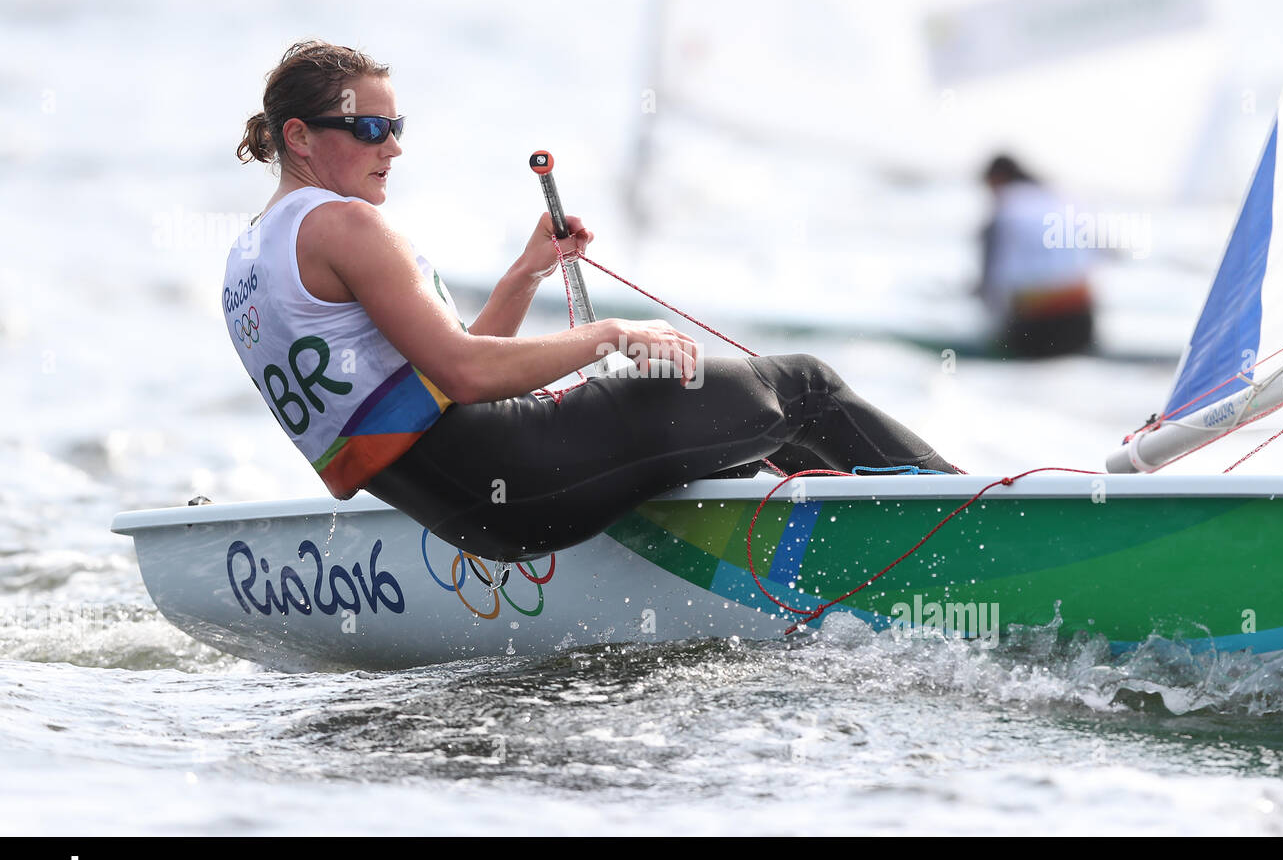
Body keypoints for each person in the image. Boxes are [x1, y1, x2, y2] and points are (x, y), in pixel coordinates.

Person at [224, 41, 958, 563]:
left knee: (729, 442)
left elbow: (437, 386)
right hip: (519, 469)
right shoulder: (345, 224)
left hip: (471, 513)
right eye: (371, 129)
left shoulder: (248, 261)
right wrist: (609, 335)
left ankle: (847, 557)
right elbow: (468, 376)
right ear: (300, 136)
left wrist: (523, 275)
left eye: (398, 128)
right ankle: (969, 526)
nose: (393, 147)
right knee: (801, 388)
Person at [977, 154, 1094, 358]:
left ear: (997, 179)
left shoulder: (1004, 210)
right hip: (1084, 321)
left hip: (1038, 327)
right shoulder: (1061, 199)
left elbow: (990, 283)